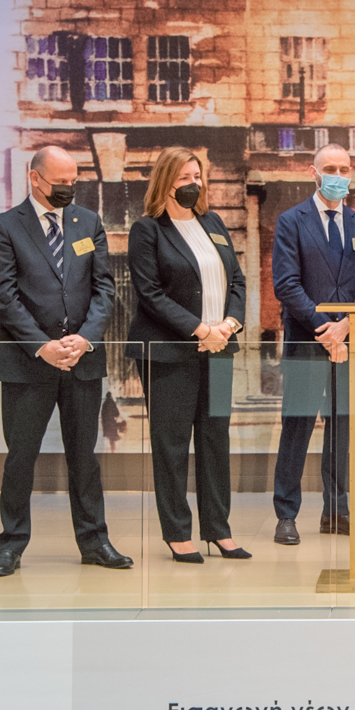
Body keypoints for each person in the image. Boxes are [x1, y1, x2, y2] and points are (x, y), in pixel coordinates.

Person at [0, 145, 131, 577]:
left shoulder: (89, 222)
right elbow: (4, 295)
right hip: (28, 363)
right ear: (35, 178)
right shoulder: (5, 227)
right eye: (60, 182)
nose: (68, 189)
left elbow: (104, 288)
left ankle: (95, 541)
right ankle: (11, 545)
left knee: (84, 458)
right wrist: (42, 345)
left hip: (81, 360)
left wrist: (84, 339)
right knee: (20, 457)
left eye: (73, 182)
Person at [128, 147, 250, 563]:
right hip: (169, 353)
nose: (193, 184)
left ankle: (219, 529)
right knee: (172, 443)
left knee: (215, 440)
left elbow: (237, 281)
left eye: (197, 176)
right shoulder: (147, 230)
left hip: (219, 349)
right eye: (184, 178)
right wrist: (200, 329)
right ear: (165, 182)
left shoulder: (212, 223)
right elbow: (150, 293)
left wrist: (229, 325)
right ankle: (178, 533)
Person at [270, 143, 355, 545]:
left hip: (349, 342)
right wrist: (325, 328)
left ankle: (336, 510)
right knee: (296, 427)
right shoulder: (291, 221)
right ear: (313, 172)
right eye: (329, 168)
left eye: (344, 168)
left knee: (341, 428)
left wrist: (346, 325)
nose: (338, 175)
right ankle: (286, 515)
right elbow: (286, 285)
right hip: (306, 339)